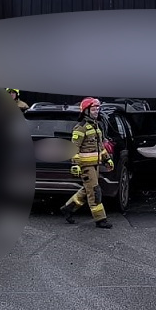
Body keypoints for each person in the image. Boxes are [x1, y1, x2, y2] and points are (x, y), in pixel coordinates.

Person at [59, 97, 114, 228]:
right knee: (95, 191)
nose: (96, 111)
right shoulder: (81, 128)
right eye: (93, 109)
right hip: (86, 166)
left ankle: (67, 209)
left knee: (87, 190)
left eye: (97, 109)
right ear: (86, 111)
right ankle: (101, 219)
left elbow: (100, 147)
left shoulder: (96, 126)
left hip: (96, 165)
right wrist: (76, 164)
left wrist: (107, 159)